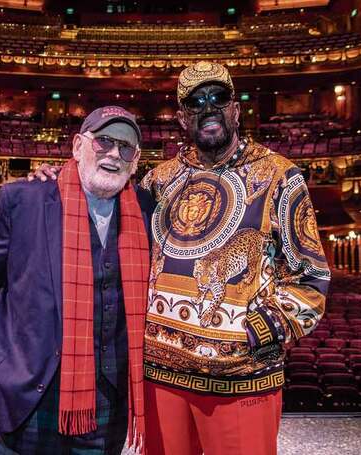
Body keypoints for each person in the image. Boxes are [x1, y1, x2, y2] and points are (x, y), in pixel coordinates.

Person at [32, 61, 331, 455]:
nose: (208, 107)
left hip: (242, 380)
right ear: (181, 118)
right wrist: (59, 178)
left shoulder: (280, 175)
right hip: (159, 377)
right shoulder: (157, 180)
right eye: (195, 102)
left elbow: (311, 278)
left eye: (218, 97)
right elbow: (99, 201)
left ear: (236, 109)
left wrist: (254, 331)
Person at [0, 106, 154, 454]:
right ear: (78, 146)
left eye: (125, 148)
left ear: (136, 161)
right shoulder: (24, 199)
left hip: (106, 398)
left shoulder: (145, 208)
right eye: (104, 142)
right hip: (27, 390)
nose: (114, 154)